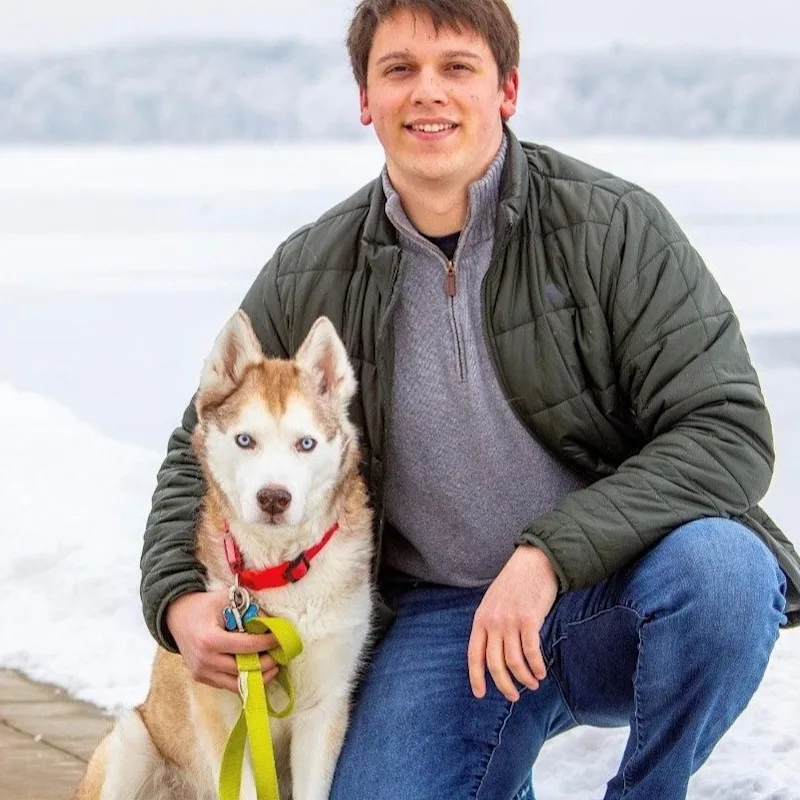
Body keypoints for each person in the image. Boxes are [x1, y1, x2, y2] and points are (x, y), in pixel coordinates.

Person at [140, 1, 800, 797]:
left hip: (615, 592)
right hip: (444, 620)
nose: (428, 93)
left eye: (457, 67)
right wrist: (179, 600)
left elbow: (727, 430)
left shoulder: (613, 228)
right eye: (398, 71)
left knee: (725, 572)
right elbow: (197, 447)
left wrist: (550, 555)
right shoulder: (310, 270)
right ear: (365, 100)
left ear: (507, 90)